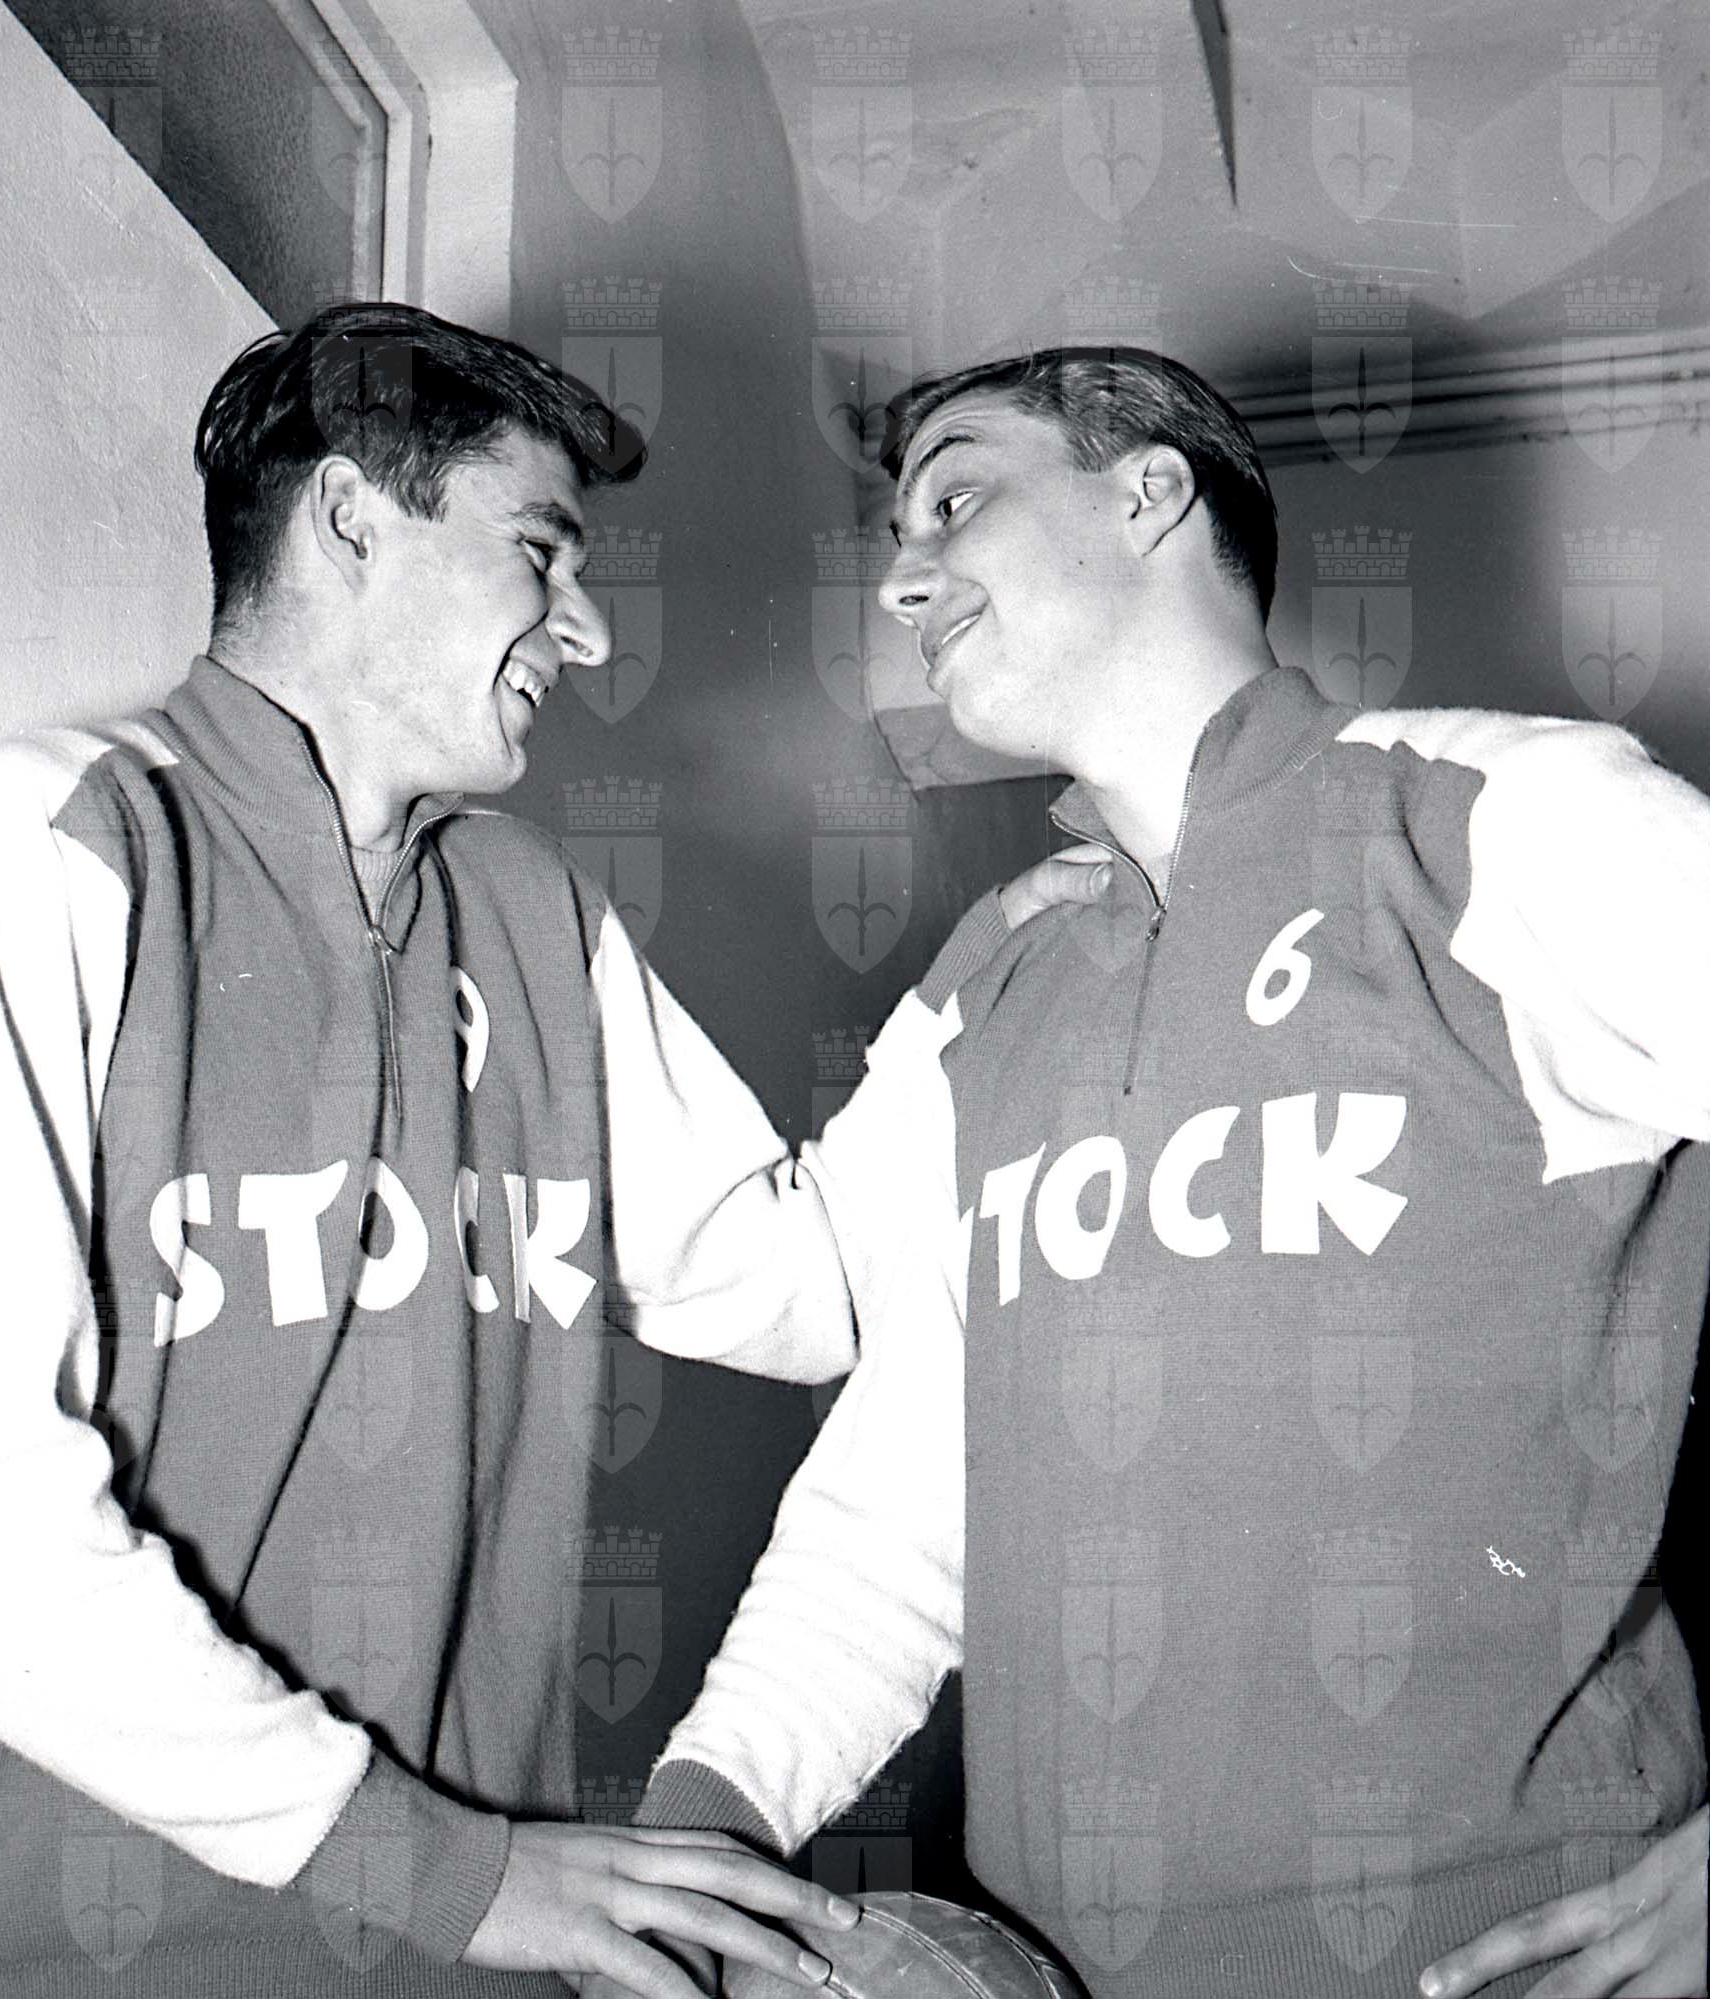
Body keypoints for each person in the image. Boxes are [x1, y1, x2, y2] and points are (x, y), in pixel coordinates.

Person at [0, 302, 881, 1997]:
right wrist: (426, 1869)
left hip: (452, 1959)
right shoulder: (36, 840)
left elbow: (806, 1293)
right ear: (351, 518)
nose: (586, 628)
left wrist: (1010, 987)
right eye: (539, 552)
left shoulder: (535, 913)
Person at [631, 347, 1710, 1999]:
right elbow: (902, 1503)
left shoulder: (1500, 816)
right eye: (897, 533)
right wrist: (695, 1837)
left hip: (1504, 1952)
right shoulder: (997, 990)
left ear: (1149, 494)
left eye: (955, 499)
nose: (903, 577)